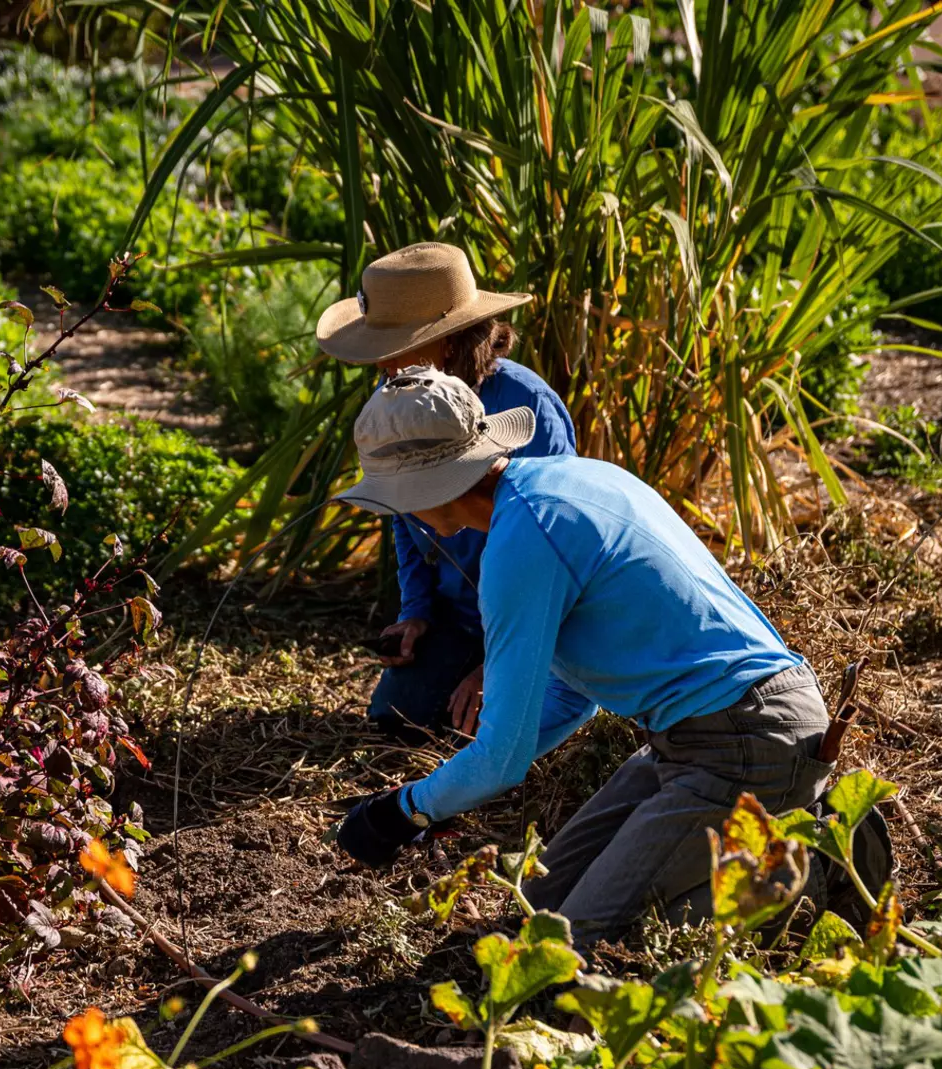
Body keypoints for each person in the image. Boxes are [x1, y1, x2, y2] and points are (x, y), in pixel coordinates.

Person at [333, 367, 833, 944]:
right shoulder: (567, 480)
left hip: (746, 741)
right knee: (540, 910)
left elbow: (502, 759)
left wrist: (402, 812)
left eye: (397, 500)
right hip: (697, 738)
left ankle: (809, 873)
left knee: (579, 944)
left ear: (427, 494)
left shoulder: (523, 542)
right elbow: (573, 697)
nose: (403, 516)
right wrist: (444, 801)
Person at [315, 241, 583, 739]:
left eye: (392, 347)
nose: (381, 366)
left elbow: (554, 554)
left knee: (492, 732)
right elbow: (403, 513)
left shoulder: (528, 405)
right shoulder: (397, 398)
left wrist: (498, 668)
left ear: (449, 341)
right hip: (459, 616)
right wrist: (416, 613)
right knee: (398, 720)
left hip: (534, 620)